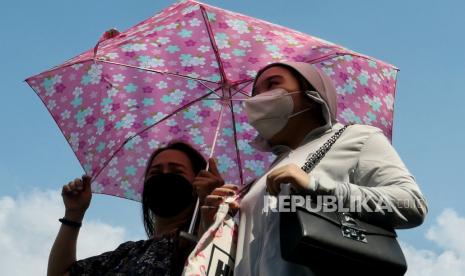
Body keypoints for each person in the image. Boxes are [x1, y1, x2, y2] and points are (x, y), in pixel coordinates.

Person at [202, 62, 428, 276]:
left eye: (272, 84)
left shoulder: (357, 137)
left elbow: (411, 204)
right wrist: (215, 218)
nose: (259, 98)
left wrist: (317, 187)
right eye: (255, 93)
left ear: (312, 95)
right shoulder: (260, 180)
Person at [47, 141, 224, 276]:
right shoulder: (128, 253)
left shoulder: (207, 240)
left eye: (176, 172)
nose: (164, 176)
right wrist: (74, 214)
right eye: (154, 173)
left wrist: (210, 208)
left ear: (198, 183)